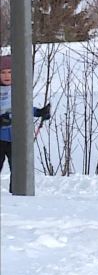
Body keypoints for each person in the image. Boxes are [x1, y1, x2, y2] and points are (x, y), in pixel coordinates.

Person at [0, 55, 52, 193]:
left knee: (18, 171)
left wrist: (41, 112)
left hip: (15, 137)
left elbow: (25, 108)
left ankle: (17, 197)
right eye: (3, 72)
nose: (7, 76)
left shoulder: (18, 90)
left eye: (10, 72)